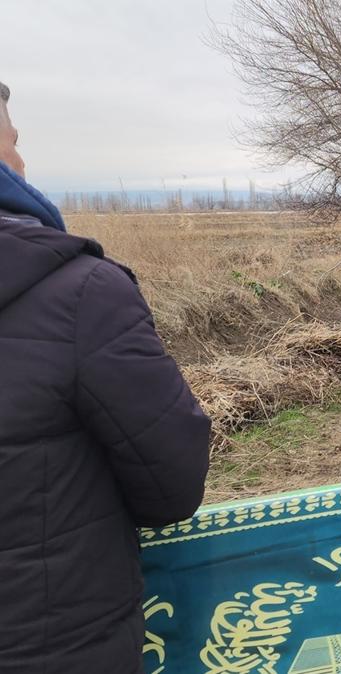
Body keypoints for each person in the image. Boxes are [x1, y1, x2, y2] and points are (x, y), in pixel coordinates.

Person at [0, 79, 212, 672]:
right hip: (59, 645)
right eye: (12, 142)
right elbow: (173, 485)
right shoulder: (83, 294)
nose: (22, 159)